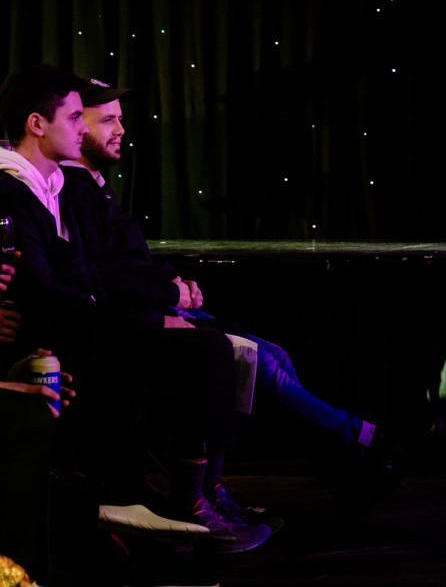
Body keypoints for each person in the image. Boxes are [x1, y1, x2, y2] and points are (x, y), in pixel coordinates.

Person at [61, 78, 396, 514]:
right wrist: (169, 295)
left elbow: (127, 258)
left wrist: (175, 282)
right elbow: (101, 278)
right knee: (250, 361)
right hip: (137, 324)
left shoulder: (94, 184)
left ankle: (338, 456)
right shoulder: (73, 189)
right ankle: (356, 439)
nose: (121, 130)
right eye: (107, 120)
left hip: (155, 307)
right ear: (75, 126)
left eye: (120, 119)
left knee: (271, 355)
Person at [0, 64, 269, 552]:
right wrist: (141, 314)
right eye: (76, 117)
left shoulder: (53, 187)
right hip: (47, 338)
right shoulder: (13, 189)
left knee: (220, 344)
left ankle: (180, 493)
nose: (84, 128)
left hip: (74, 326)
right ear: (37, 123)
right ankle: (177, 498)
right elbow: (41, 292)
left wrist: (153, 300)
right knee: (207, 349)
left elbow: (84, 275)